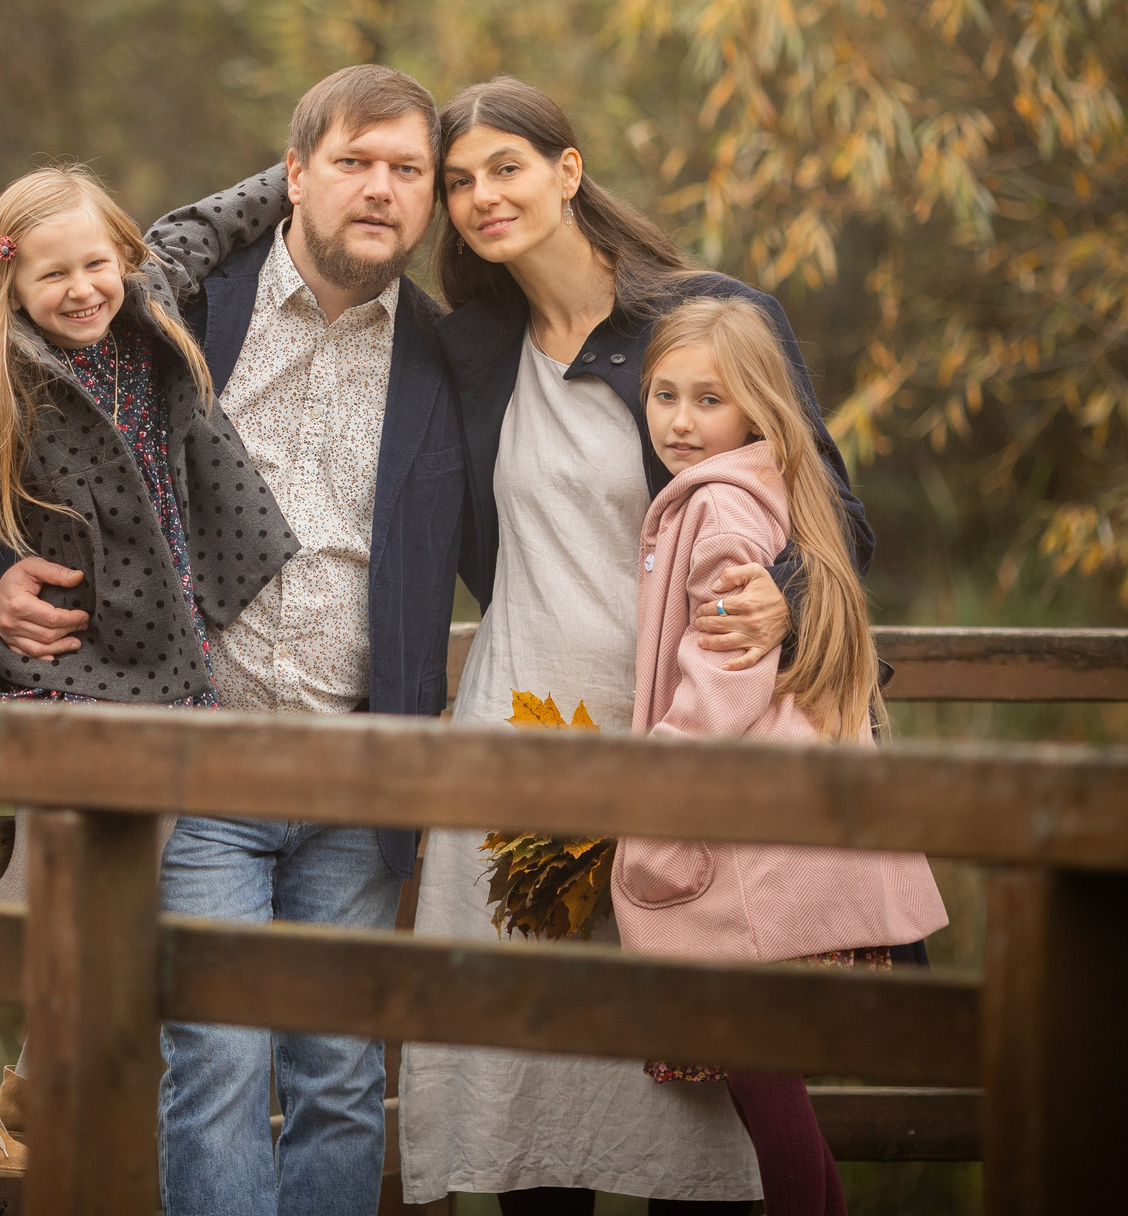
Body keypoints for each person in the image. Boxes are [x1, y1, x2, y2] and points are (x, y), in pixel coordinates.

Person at [0, 65, 471, 1216]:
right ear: (293, 175)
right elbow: (2, 431)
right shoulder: (181, 305)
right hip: (198, 759)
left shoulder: (452, 359)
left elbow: (543, 527)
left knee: (340, 1076)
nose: (379, 191)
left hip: (361, 765)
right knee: (218, 1066)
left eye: (407, 172)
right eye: (353, 163)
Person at [400, 77, 869, 1212]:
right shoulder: (471, 348)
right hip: (522, 732)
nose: (479, 197)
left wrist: (786, 598)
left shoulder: (702, 319)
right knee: (533, 1081)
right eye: (456, 182)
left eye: (505, 167)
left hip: (678, 733)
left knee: (695, 1096)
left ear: (568, 171)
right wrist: (301, 158)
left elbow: (827, 512)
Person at [0, 162, 295, 1178]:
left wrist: (298, 172)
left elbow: (208, 223)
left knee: (128, 878)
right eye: (52, 278)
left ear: (122, 257)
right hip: (69, 668)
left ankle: (33, 1082)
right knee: (42, 876)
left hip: (163, 663)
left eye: (95, 265)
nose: (81, 290)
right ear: (11, 287)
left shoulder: (147, 297)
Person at [612, 296, 947, 1216]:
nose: (679, 420)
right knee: (777, 1097)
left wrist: (652, 787)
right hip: (772, 846)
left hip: (739, 856)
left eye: (707, 399)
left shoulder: (718, 505)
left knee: (769, 1098)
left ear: (755, 405)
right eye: (663, 395)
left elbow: (723, 671)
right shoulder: (769, 487)